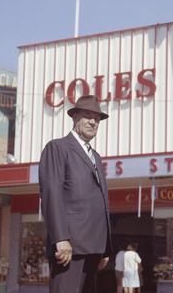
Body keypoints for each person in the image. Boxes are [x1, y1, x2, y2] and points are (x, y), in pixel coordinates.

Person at [38, 95, 113, 293]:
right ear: (75, 118)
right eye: (87, 116)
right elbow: (51, 194)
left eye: (96, 118)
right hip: (69, 246)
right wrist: (61, 238)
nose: (93, 122)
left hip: (94, 246)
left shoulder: (96, 156)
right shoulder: (58, 147)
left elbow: (101, 201)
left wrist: (105, 247)